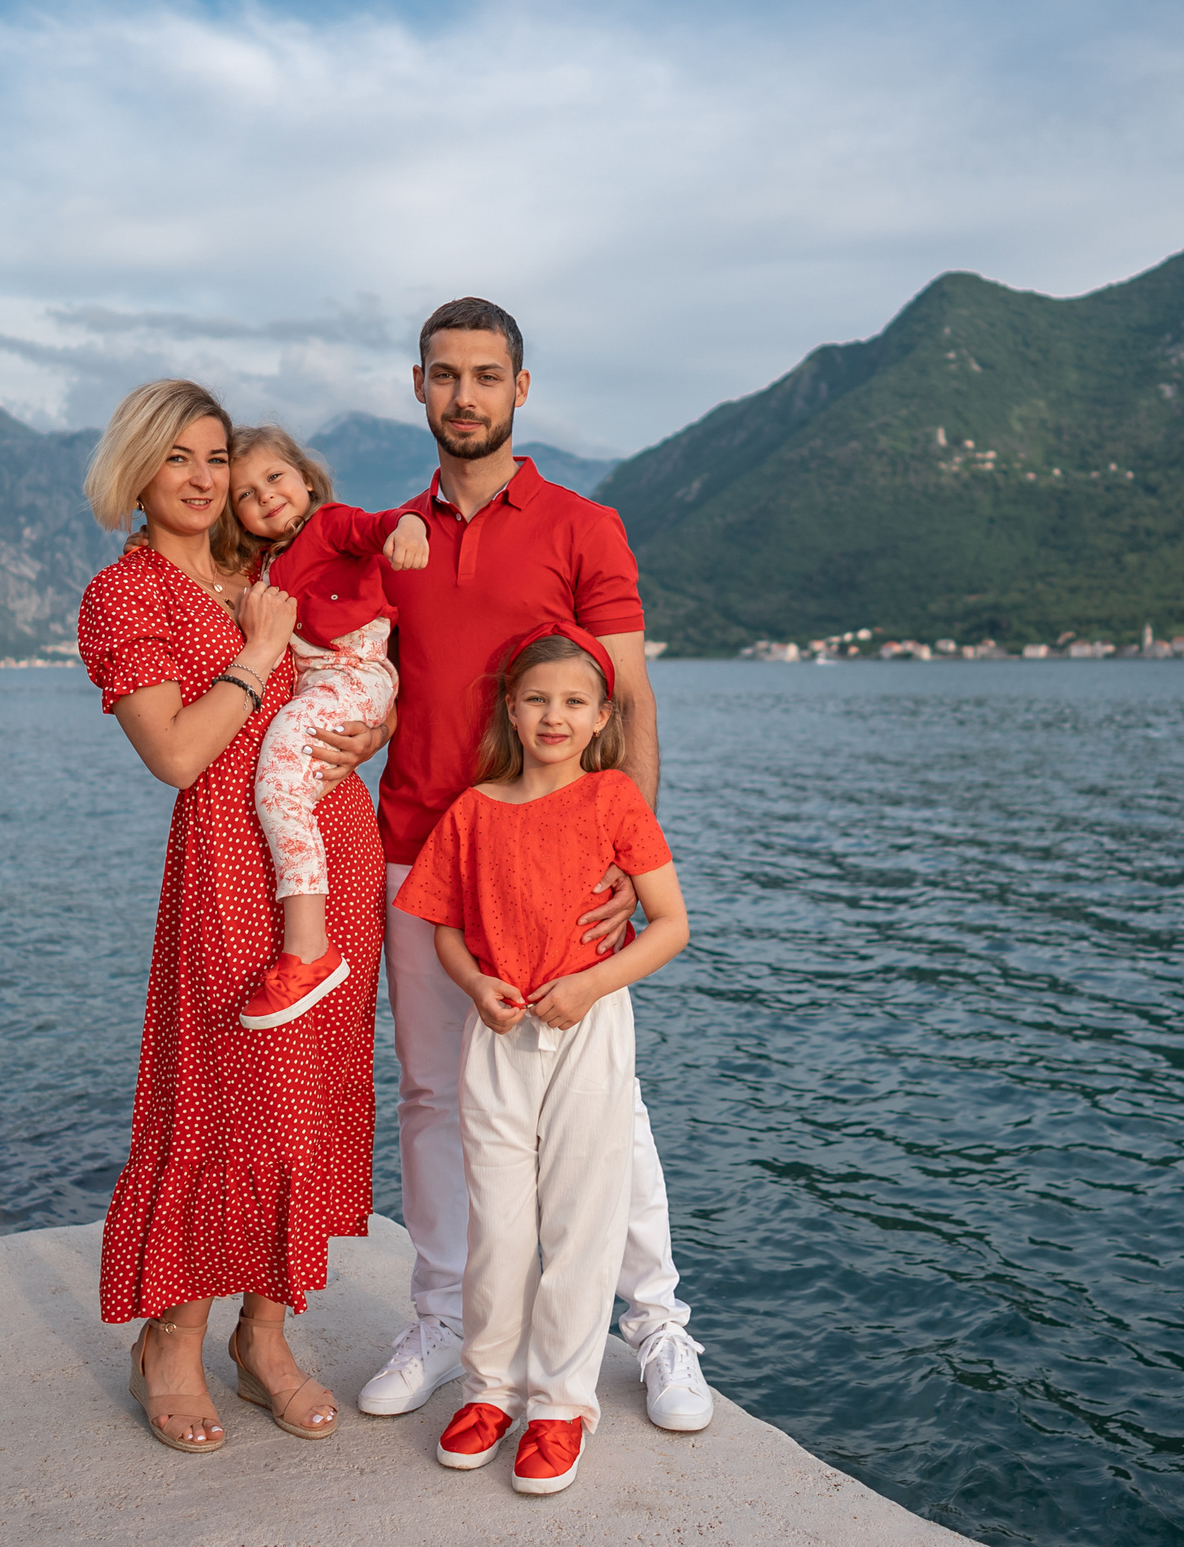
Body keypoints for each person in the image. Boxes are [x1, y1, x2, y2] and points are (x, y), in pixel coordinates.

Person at [350, 297, 716, 1433]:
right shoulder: (390, 537)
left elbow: (630, 698)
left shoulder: (582, 526)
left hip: (559, 870)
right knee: (430, 1099)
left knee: (607, 1110)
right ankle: (446, 1320)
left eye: (487, 375)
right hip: (418, 853)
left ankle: (653, 1324)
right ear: (418, 388)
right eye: (445, 375)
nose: (465, 395)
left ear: (520, 390)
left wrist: (624, 851)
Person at [76, 379, 383, 1455]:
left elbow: (354, 670)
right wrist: (255, 655)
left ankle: (264, 1337)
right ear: (139, 472)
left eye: (218, 457)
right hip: (225, 868)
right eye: (181, 460)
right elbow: (174, 753)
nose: (207, 479)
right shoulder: (128, 596)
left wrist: (363, 733)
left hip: (335, 855)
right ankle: (171, 1338)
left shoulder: (267, 565)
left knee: (305, 1100)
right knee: (223, 1096)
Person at [393, 625, 691, 1495]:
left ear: (602, 716)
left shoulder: (613, 801)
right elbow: (443, 927)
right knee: (500, 1222)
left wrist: (591, 984)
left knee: (581, 1215)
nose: (553, 715)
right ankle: (490, 1388)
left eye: (573, 701)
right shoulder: (475, 809)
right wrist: (479, 985)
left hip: (587, 1027)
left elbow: (670, 925)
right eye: (537, 699)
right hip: (499, 1030)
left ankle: (561, 1403)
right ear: (510, 710)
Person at [219, 423, 428, 1030]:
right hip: (325, 683)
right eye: (246, 495)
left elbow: (381, 524)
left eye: (275, 478)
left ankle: (309, 949)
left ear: (306, 480)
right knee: (287, 789)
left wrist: (409, 527)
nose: (264, 496)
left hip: (358, 670)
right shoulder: (266, 564)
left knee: (280, 770)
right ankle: (310, 931)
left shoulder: (329, 524)